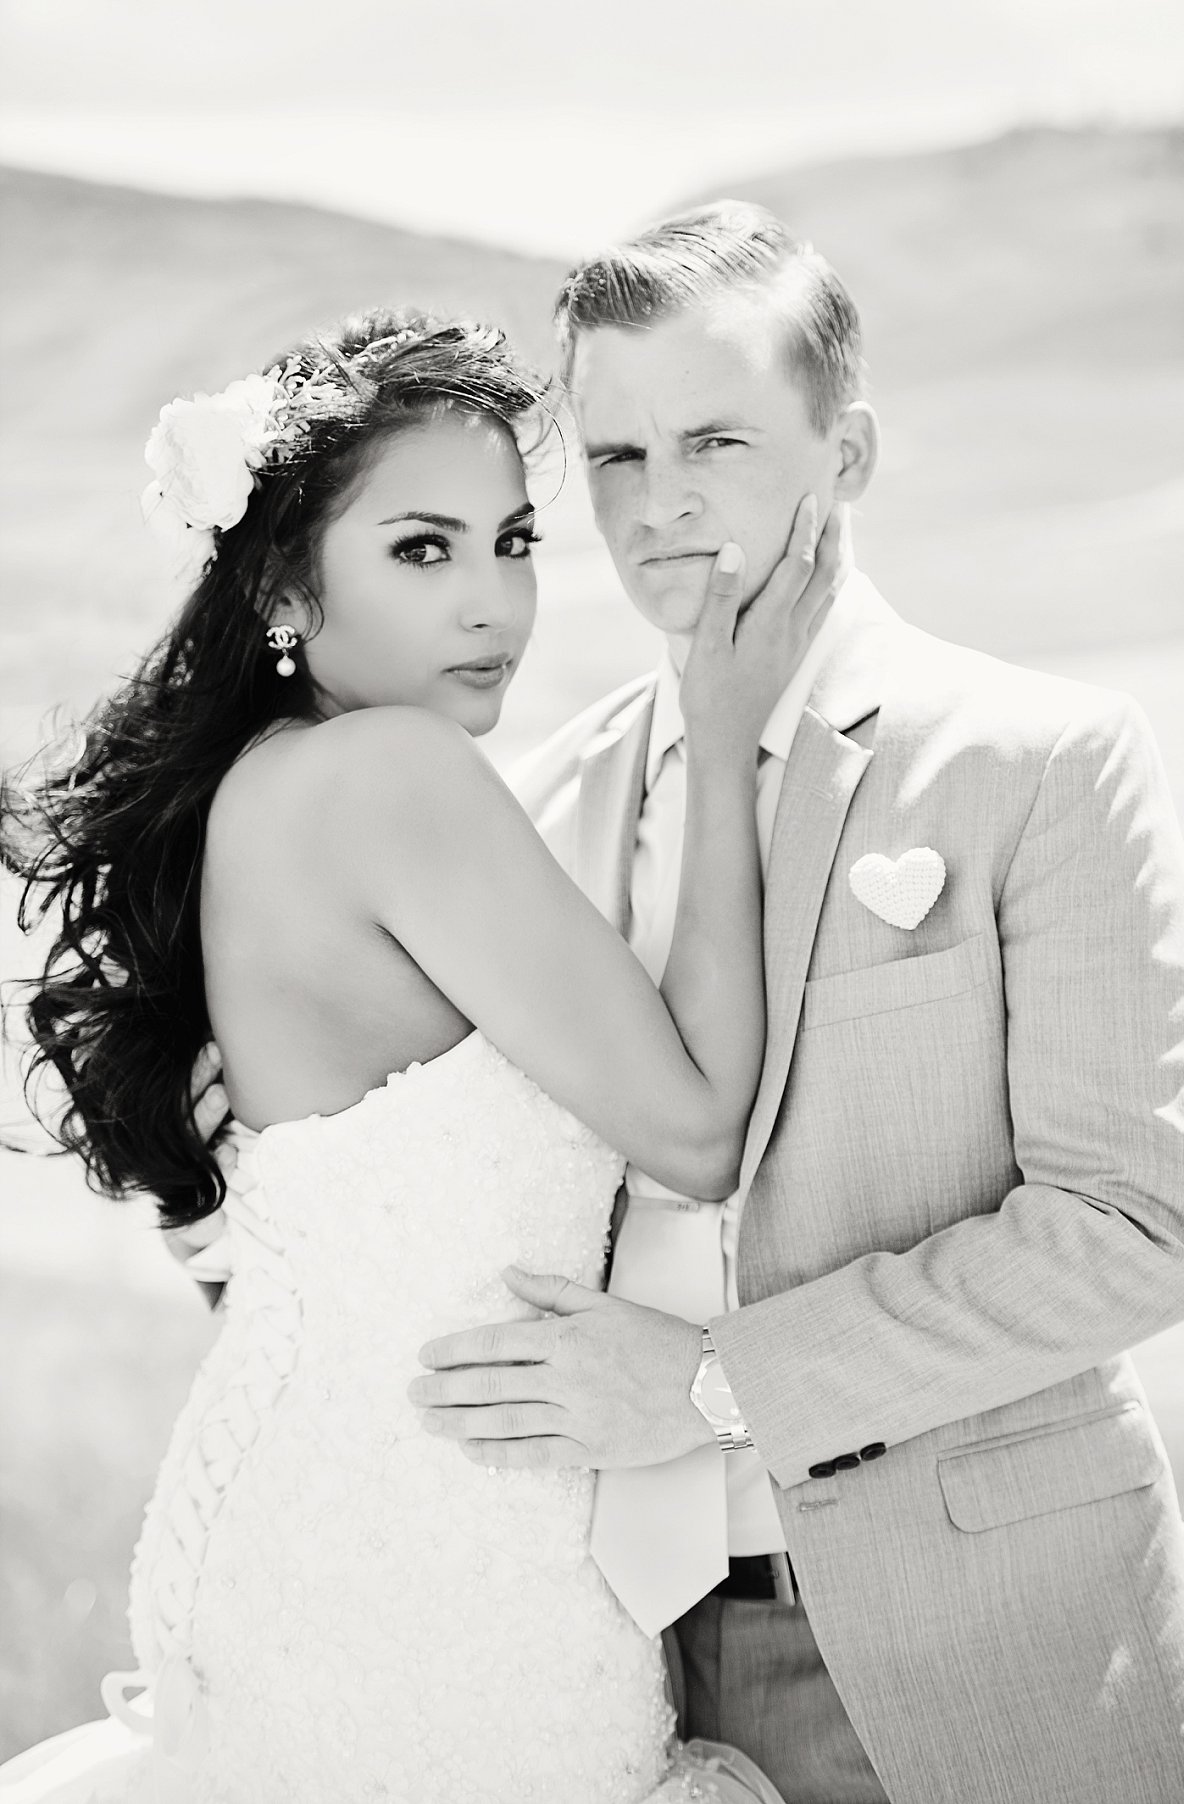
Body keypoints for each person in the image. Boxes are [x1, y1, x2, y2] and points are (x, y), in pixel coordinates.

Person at [398, 206, 1184, 1804]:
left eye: (716, 440)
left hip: (991, 1651)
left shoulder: (1039, 763)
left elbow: (1139, 1225)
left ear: (850, 452)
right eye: (616, 456)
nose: (660, 504)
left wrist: (717, 1385)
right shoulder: (542, 803)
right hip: (608, 1664)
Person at [0, 308, 843, 1802]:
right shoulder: (396, 776)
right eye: (422, 550)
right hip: (438, 1578)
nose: (492, 604)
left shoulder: (260, 789)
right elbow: (702, 1130)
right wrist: (723, 742)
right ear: (282, 584)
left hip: (345, 1522)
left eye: (513, 542)